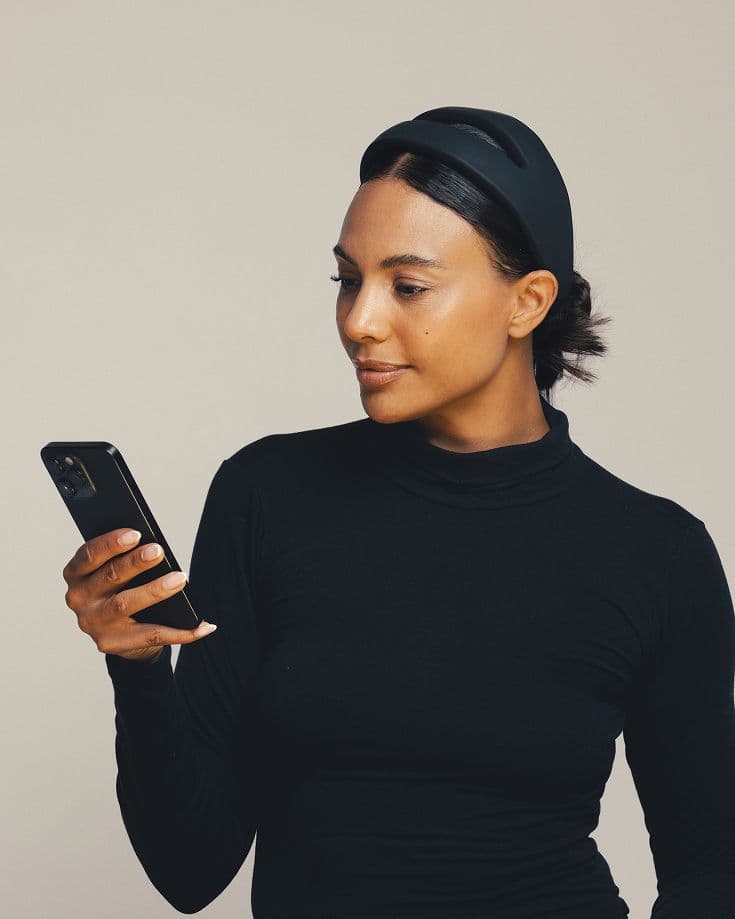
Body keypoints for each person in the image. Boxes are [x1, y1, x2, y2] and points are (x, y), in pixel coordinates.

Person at [63, 107, 735, 918]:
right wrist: (137, 668)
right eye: (347, 279)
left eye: (407, 286)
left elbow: (709, 871)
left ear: (527, 302)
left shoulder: (657, 552)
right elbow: (189, 868)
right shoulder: (266, 494)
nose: (359, 321)